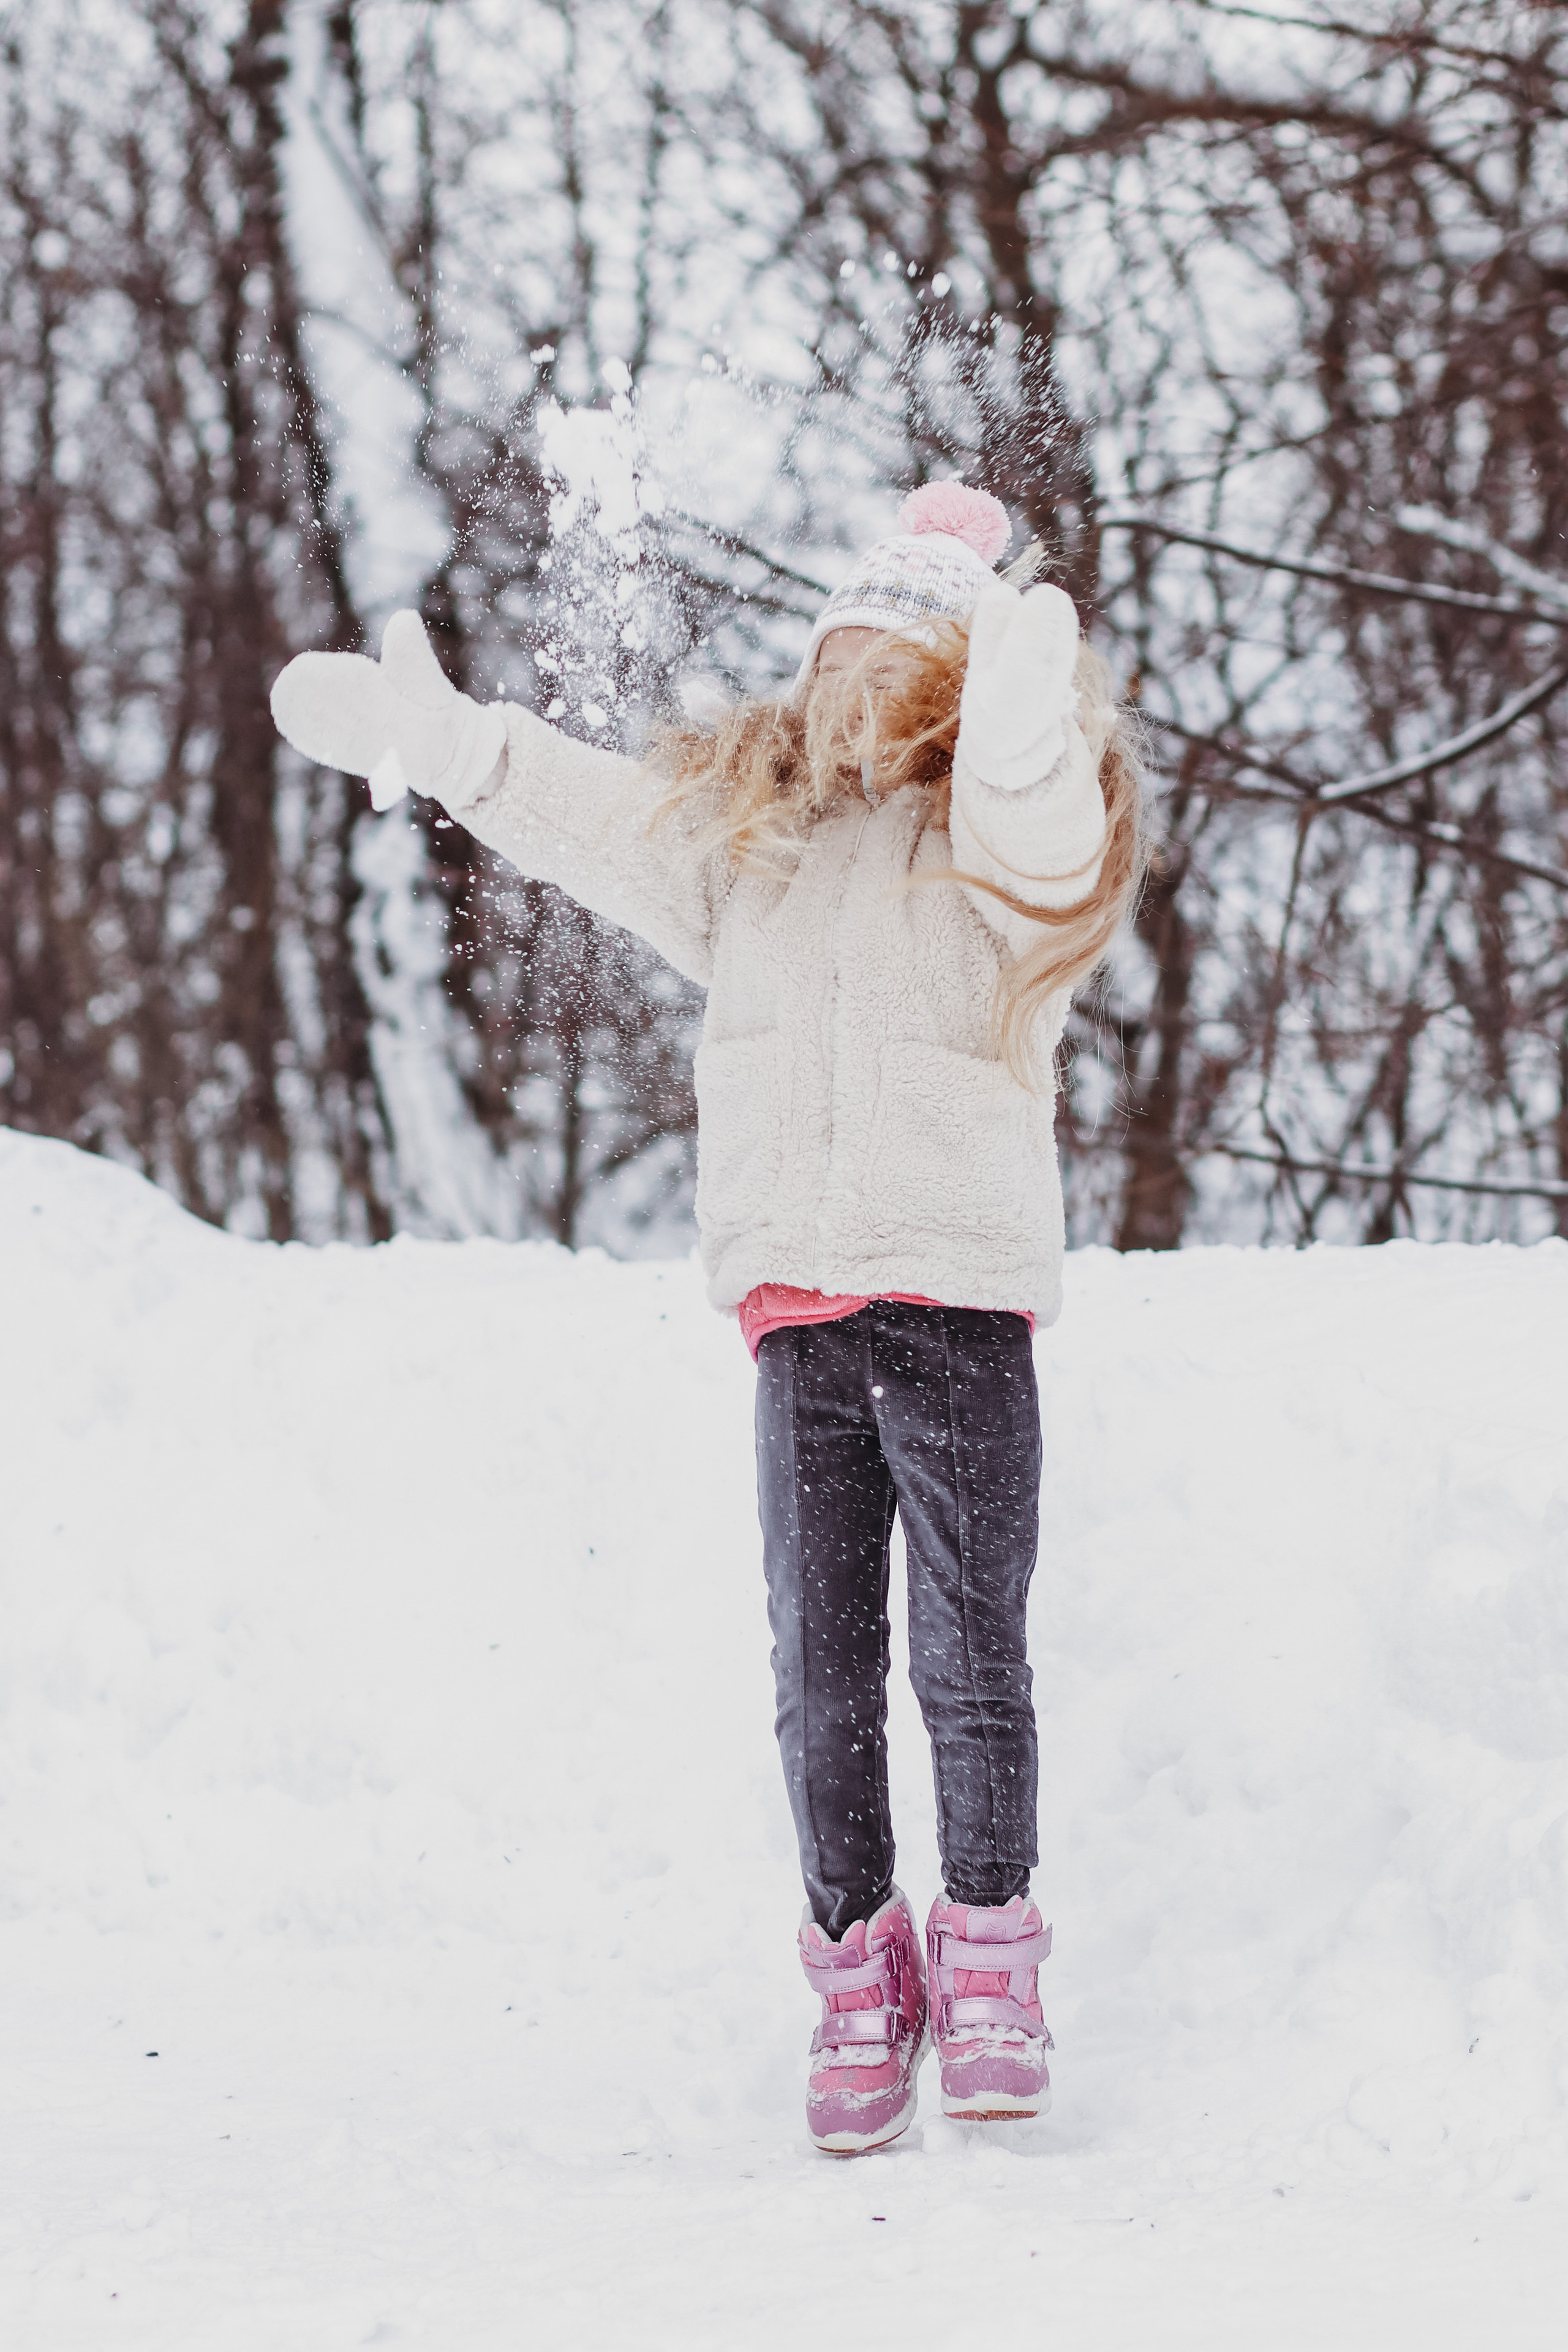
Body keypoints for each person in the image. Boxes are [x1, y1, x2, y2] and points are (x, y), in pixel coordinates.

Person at [271, 480, 1149, 2157]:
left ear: (948, 696)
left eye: (894, 678)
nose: (849, 707)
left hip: (954, 1298)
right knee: (819, 1675)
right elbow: (606, 826)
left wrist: (1032, 735)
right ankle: (855, 1969)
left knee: (970, 1665)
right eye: (837, 669)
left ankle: (989, 1961)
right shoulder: (762, 850)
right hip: (799, 1316)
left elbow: (1050, 841)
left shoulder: (992, 852)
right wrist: (458, 750)